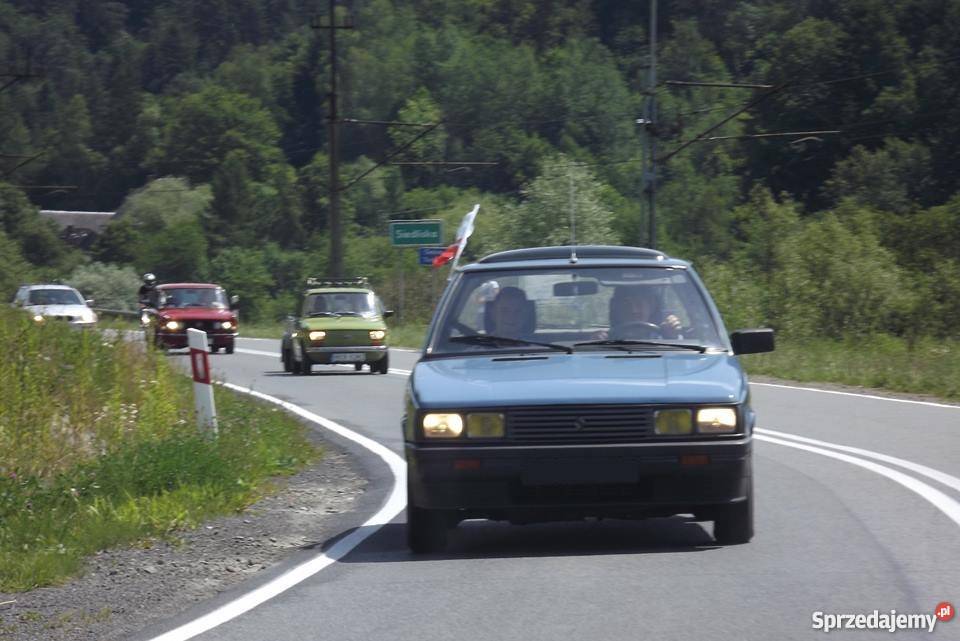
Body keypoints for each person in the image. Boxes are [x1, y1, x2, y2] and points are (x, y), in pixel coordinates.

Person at [608, 286, 682, 339]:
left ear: (651, 306)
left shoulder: (666, 336)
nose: (634, 310)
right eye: (626, 304)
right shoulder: (605, 340)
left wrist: (672, 336)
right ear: (616, 307)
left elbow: (679, 353)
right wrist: (601, 340)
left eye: (639, 303)